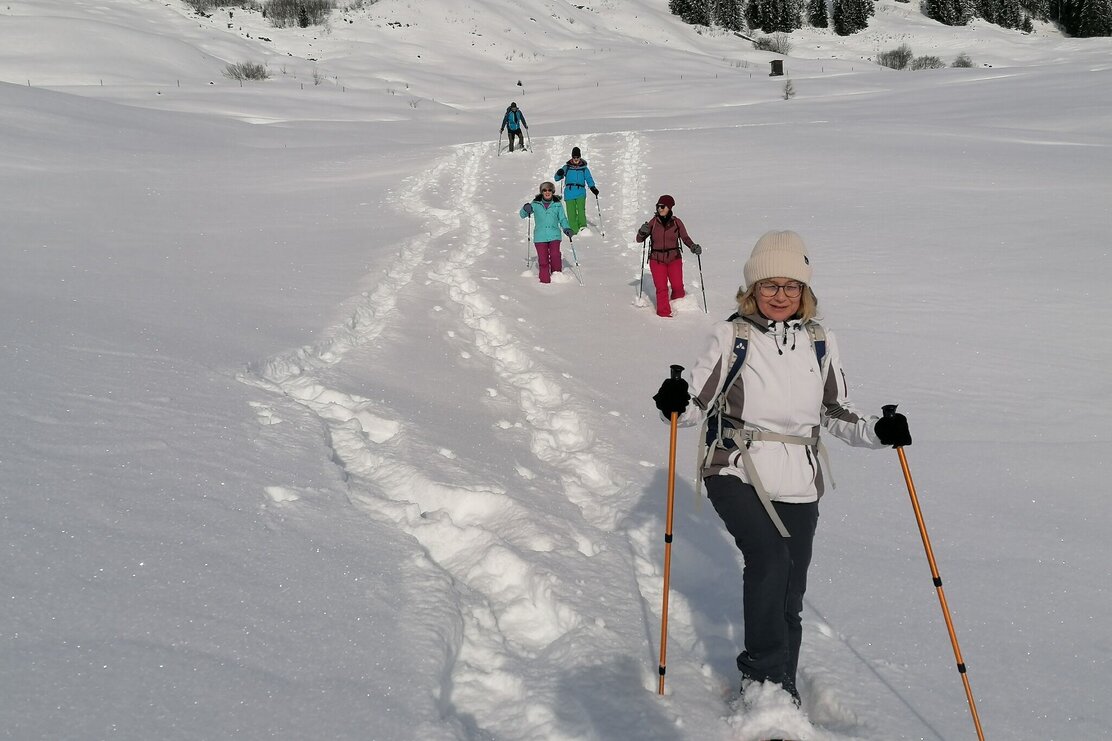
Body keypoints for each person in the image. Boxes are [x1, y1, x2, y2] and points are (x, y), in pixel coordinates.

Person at [651, 230, 912, 708]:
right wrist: (674, 403)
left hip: (800, 475)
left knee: (791, 584)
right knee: (770, 560)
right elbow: (697, 403)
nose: (780, 296)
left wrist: (879, 430)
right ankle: (763, 681)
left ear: (805, 293)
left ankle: (782, 685)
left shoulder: (820, 341)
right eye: (769, 286)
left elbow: (835, 411)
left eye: (791, 286)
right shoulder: (732, 335)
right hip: (734, 466)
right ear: (751, 290)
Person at [635, 195, 701, 318]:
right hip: (656, 259)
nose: (660, 209)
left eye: (662, 206)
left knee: (678, 287)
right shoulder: (653, 222)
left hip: (674, 258)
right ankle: (663, 314)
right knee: (661, 288)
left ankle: (679, 307)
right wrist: (642, 231)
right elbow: (639, 239)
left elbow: (685, 238)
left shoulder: (677, 222)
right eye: (658, 206)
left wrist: (693, 246)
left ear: (669, 207)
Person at [520, 181, 573, 284]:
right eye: (544, 190)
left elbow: (562, 219)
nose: (547, 192)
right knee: (543, 260)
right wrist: (525, 209)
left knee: (555, 255)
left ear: (552, 191)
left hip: (554, 235)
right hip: (540, 236)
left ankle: (557, 277)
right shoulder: (535, 204)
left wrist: (567, 228)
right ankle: (545, 282)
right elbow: (522, 215)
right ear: (541, 192)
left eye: (549, 190)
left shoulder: (557, 204)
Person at [554, 146, 598, 235]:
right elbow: (557, 178)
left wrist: (593, 187)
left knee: (581, 210)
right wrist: (559, 173)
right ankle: (573, 229)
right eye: (574, 157)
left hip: (580, 191)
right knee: (571, 211)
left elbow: (589, 178)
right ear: (572, 157)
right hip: (569, 192)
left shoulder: (584, 168)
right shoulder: (567, 167)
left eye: (578, 157)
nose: (576, 159)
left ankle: (583, 227)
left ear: (580, 157)